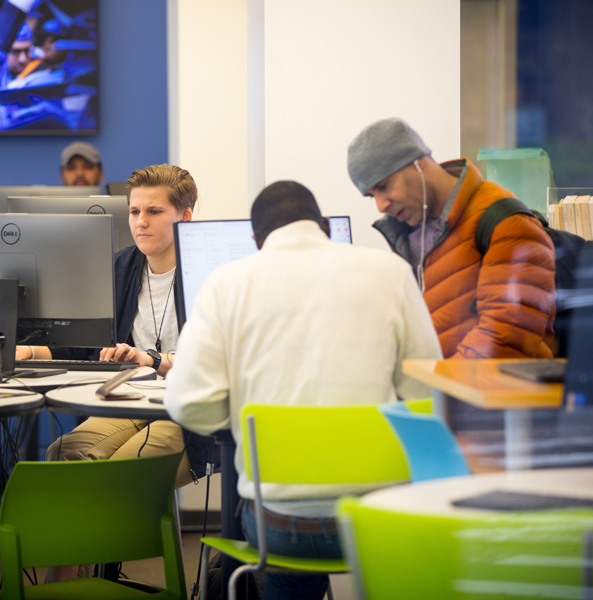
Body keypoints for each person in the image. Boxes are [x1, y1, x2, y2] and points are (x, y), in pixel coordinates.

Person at [165, 181, 442, 600]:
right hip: (375, 517)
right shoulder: (392, 273)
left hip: (280, 525)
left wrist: (241, 419)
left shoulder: (226, 283)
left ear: (257, 241)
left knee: (288, 573)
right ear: (326, 227)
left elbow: (187, 402)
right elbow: (426, 393)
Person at [18, 164, 214, 581]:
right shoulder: (124, 267)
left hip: (190, 410)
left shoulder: (211, 273)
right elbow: (83, 339)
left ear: (186, 216)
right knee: (65, 454)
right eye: (134, 211)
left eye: (155, 212)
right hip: (133, 404)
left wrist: (155, 360)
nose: (140, 222)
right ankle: (68, 588)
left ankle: (81, 584)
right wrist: (28, 350)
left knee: (117, 472)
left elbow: (222, 360)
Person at [347, 117, 556, 359]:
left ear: (418, 162)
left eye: (383, 186)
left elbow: (507, 337)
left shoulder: (504, 221)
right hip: (438, 390)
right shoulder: (406, 234)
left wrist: (438, 387)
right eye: (372, 196)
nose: (381, 206)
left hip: (491, 393)